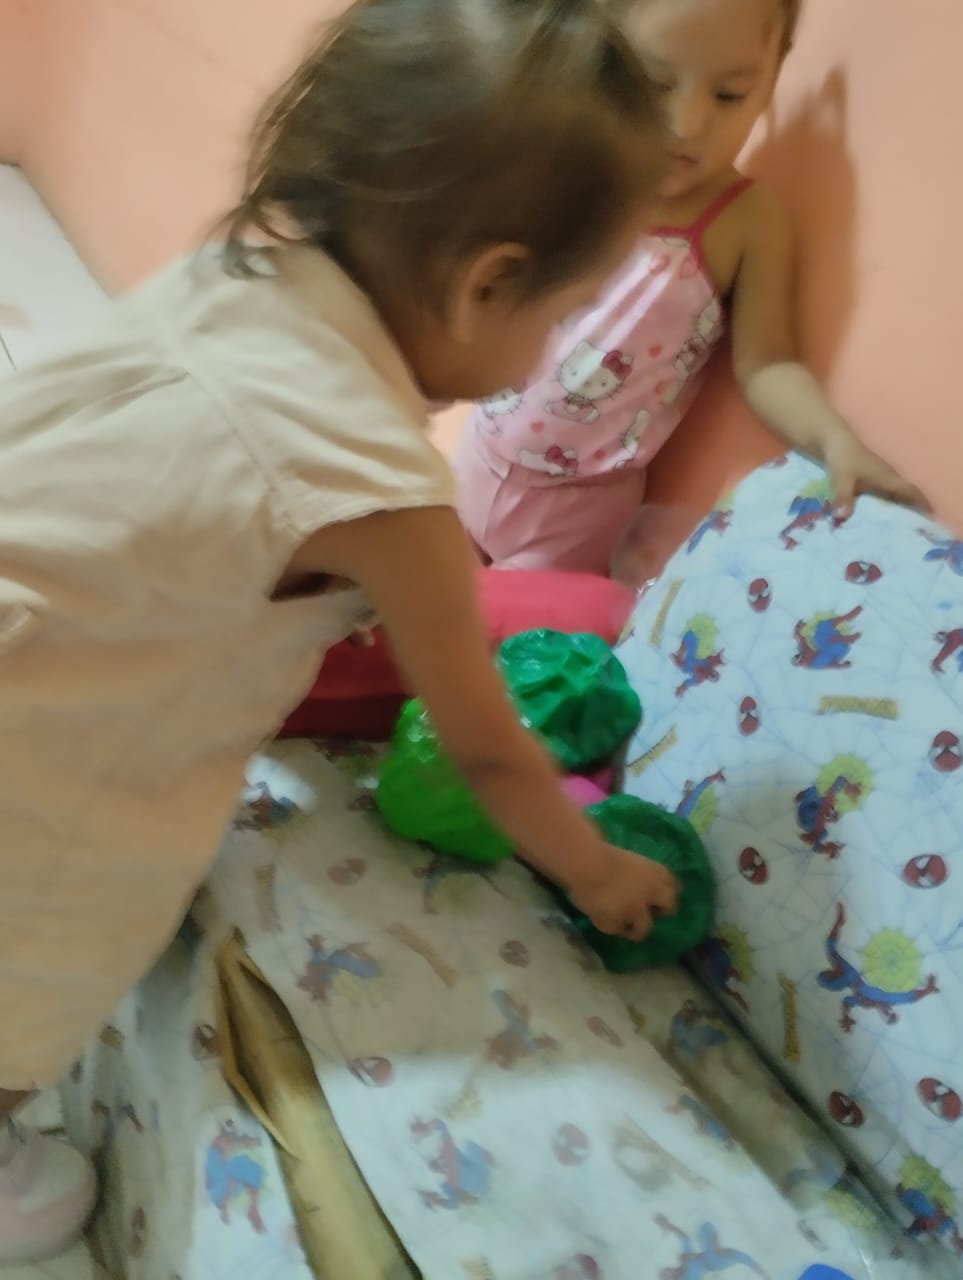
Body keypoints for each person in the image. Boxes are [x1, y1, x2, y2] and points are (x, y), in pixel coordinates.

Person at [0, 0, 677, 1261]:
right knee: (38, 947)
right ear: (488, 282)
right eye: (562, 314)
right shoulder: (384, 490)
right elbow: (488, 748)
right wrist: (598, 870)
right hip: (36, 748)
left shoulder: (235, 272)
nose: (549, 350)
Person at [454, 0, 927, 577]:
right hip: (475, 453)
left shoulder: (747, 222)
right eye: (657, 85)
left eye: (729, 95)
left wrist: (835, 441)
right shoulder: (571, 167)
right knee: (408, 588)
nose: (688, 125)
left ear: (771, 82)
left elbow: (769, 364)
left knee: (498, 625)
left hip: (577, 507)